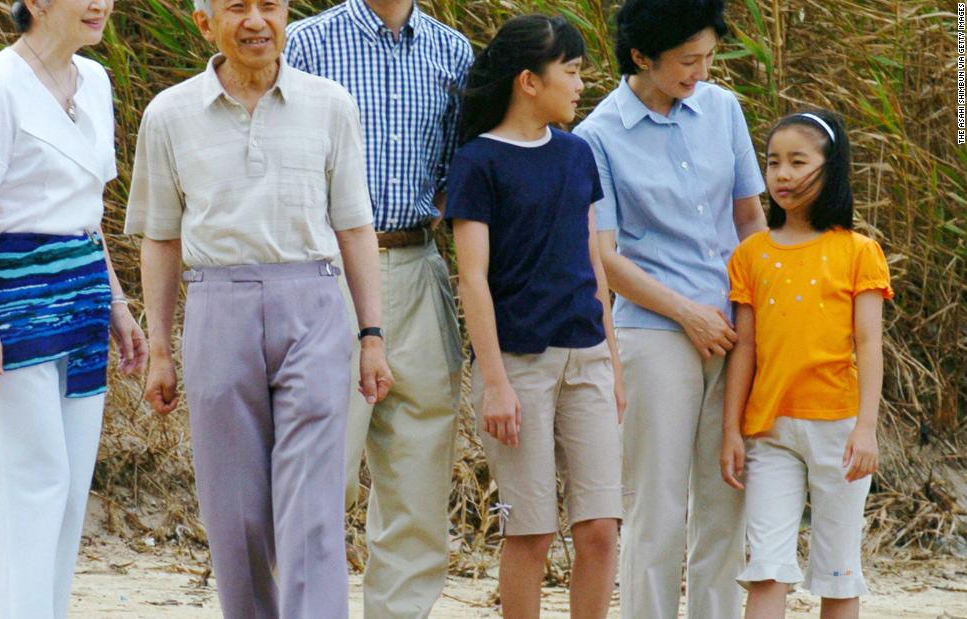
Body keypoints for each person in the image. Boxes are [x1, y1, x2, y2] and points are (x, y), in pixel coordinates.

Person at [124, 0, 394, 616]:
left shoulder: (330, 103)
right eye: (236, 7)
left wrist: (371, 335)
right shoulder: (168, 113)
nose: (255, 21)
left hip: (316, 304)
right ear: (204, 23)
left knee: (312, 503)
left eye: (269, 5)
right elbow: (161, 237)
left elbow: (354, 227)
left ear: (288, 16)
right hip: (219, 306)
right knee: (235, 506)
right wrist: (160, 348)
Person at [0, 1, 146, 617]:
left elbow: (90, 216)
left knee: (65, 496)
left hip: (84, 301)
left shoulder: (98, 82)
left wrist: (118, 305)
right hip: (17, 308)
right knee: (30, 488)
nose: (100, 4)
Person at [571, 0, 768, 616]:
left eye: (709, 56)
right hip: (654, 333)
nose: (701, 72)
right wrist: (687, 313)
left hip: (734, 328)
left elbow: (748, 218)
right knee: (655, 507)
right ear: (641, 57)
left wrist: (754, 314)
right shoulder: (596, 135)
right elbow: (607, 257)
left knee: (726, 498)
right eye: (687, 61)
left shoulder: (723, 109)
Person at [284, 2, 472, 616]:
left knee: (417, 468)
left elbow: (454, 167)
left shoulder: (453, 53)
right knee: (320, 465)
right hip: (326, 271)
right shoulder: (307, 43)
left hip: (418, 262)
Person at [447, 15, 625, 619]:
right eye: (571, 72)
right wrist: (494, 381)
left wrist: (614, 364)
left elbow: (594, 265)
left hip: (589, 358)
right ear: (529, 80)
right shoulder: (478, 163)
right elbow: (472, 279)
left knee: (601, 528)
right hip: (519, 366)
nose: (580, 85)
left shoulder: (578, 155)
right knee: (531, 532)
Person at [720, 109, 891, 619]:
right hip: (769, 433)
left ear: (831, 166)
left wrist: (866, 429)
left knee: (838, 572)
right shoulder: (752, 253)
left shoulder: (859, 251)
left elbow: (869, 344)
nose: (783, 175)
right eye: (773, 162)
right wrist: (731, 429)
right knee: (766, 568)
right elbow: (744, 349)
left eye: (798, 161)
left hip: (840, 433)